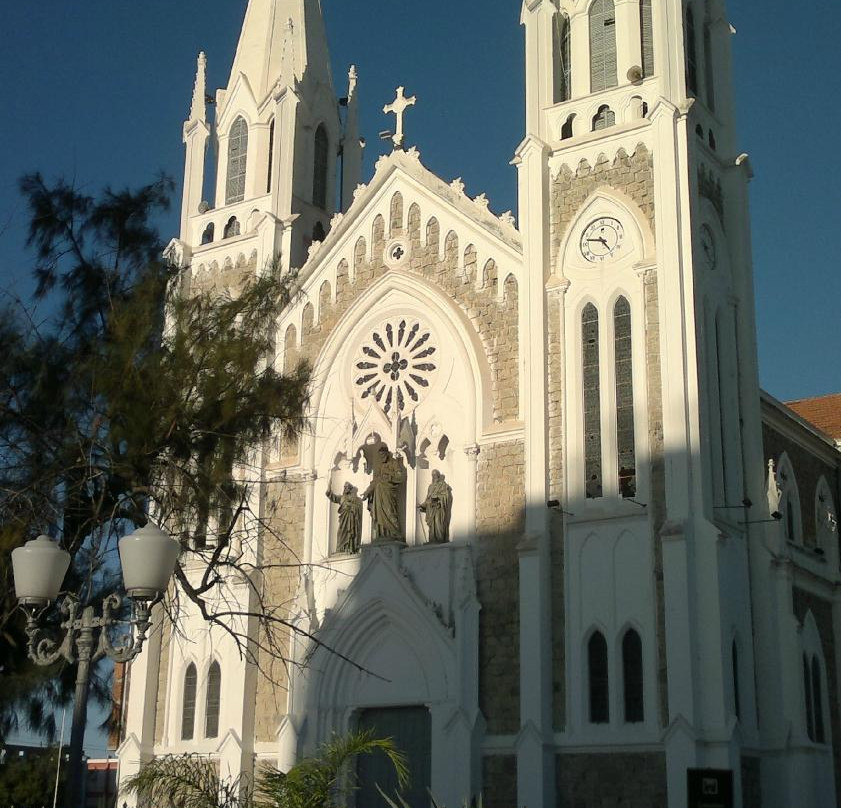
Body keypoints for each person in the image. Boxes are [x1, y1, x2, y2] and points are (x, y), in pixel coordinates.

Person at [362, 445, 406, 541]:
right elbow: (375, 481)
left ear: (387, 453)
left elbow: (400, 477)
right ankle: (382, 534)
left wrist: (389, 476)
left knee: (390, 512)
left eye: (383, 455)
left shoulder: (394, 463)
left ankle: (395, 533)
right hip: (379, 495)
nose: (382, 458)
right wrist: (367, 492)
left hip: (388, 493)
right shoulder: (380, 467)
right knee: (379, 514)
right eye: (380, 456)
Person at [326, 482, 363, 554]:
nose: (345, 489)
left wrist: (351, 507)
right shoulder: (342, 498)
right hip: (343, 519)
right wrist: (329, 488)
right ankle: (340, 549)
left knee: (351, 534)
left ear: (350, 489)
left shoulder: (356, 499)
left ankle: (350, 548)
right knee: (341, 532)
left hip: (351, 519)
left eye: (347, 487)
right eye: (344, 487)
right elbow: (333, 497)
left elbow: (358, 509)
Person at [419, 470, 453, 543]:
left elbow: (446, 496)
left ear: (438, 475)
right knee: (432, 526)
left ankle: (440, 539)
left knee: (438, 523)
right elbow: (427, 499)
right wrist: (422, 505)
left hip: (439, 508)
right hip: (431, 509)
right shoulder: (430, 487)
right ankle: (432, 539)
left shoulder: (443, 485)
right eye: (433, 475)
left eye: (435, 475)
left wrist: (437, 497)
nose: (434, 476)